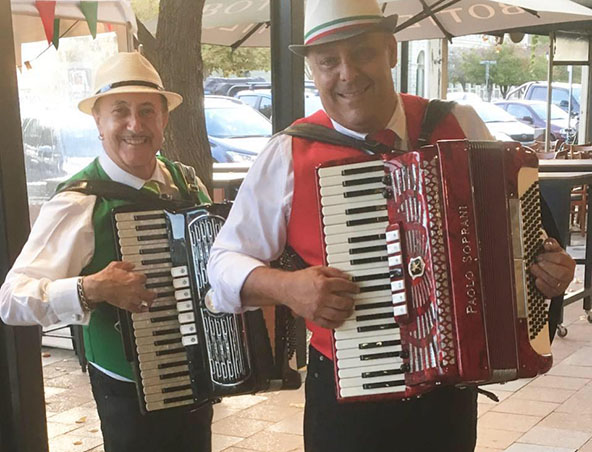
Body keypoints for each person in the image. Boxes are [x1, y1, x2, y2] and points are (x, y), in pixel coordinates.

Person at [207, 1, 576, 451]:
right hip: (347, 404)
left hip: (449, 399)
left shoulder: (458, 124)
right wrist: (288, 289)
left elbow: (522, 239)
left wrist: (549, 273)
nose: (346, 73)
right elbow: (222, 263)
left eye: (362, 53)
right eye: (328, 61)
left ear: (391, 51)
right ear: (312, 69)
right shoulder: (288, 152)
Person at [0, 52, 213, 452]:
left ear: (164, 119)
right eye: (120, 112)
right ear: (98, 121)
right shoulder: (77, 202)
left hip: (195, 377)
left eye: (147, 111)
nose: (135, 125)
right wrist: (90, 289)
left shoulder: (185, 183)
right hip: (126, 390)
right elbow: (11, 299)